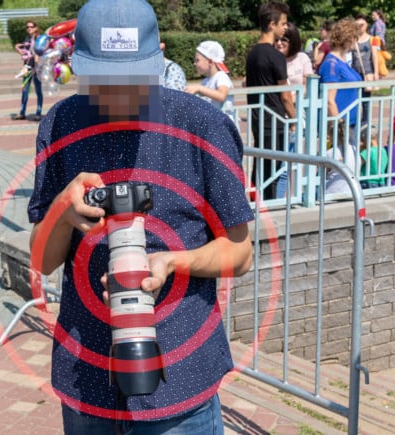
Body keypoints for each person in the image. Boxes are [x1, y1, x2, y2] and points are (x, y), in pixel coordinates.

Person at [28, 0, 253, 432]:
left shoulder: (201, 125)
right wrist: (61, 211)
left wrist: (172, 262)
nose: (118, 97)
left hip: (180, 378)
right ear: (78, 67)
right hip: (86, 377)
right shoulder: (60, 124)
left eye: (133, 82)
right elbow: (41, 260)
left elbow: (240, 253)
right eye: (102, 83)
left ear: (160, 59)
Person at [245, 1, 296, 201]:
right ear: (271, 24)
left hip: (258, 117)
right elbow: (285, 94)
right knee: (274, 169)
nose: (285, 27)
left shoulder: (253, 53)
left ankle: (257, 204)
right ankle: (270, 207)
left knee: (261, 165)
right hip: (275, 120)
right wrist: (294, 118)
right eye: (283, 23)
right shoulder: (275, 56)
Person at [274, 22, 314, 198]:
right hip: (277, 115)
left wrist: (292, 97)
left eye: (285, 40)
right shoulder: (273, 57)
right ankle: (277, 200)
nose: (280, 43)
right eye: (278, 39)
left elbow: (309, 85)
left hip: (297, 114)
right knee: (281, 163)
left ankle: (299, 196)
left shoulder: (302, 58)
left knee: (290, 160)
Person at [319, 18, 362, 144]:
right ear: (349, 38)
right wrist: (339, 125)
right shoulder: (331, 64)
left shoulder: (342, 62)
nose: (357, 41)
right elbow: (329, 99)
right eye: (356, 37)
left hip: (351, 123)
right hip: (342, 127)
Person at [184, 40, 235, 119]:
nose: (195, 63)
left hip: (224, 125)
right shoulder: (205, 81)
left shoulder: (221, 76)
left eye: (197, 60)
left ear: (210, 62)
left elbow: (221, 95)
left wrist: (199, 88)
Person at [11, 20, 43, 121]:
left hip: (37, 68)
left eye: (31, 27)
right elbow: (25, 52)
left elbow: (42, 52)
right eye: (27, 27)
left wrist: (37, 58)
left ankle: (38, 112)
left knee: (38, 90)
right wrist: (19, 49)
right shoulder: (27, 38)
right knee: (25, 90)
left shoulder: (39, 39)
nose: (29, 29)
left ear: (36, 28)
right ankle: (22, 112)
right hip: (27, 67)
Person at [351, 14, 379, 126]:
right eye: (357, 25)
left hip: (367, 73)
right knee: (354, 98)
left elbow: (375, 56)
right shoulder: (353, 39)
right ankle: (354, 120)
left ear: (367, 25)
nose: (360, 27)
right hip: (354, 72)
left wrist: (376, 72)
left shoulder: (372, 39)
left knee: (366, 99)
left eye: (362, 25)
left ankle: (365, 121)